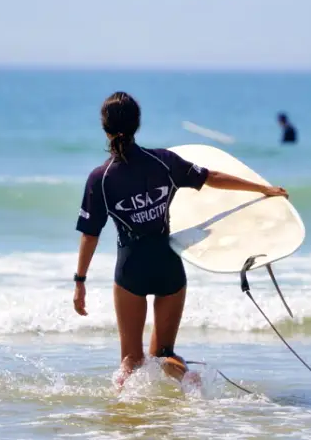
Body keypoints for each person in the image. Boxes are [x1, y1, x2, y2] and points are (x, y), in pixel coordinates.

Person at [72, 91, 289, 388]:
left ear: (105, 128)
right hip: (168, 266)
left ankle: (121, 408)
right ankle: (187, 378)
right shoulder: (163, 162)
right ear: (137, 124)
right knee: (164, 353)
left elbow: (90, 235)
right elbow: (212, 177)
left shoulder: (102, 178)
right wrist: (263, 189)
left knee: (131, 361)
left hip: (131, 269)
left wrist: (80, 281)